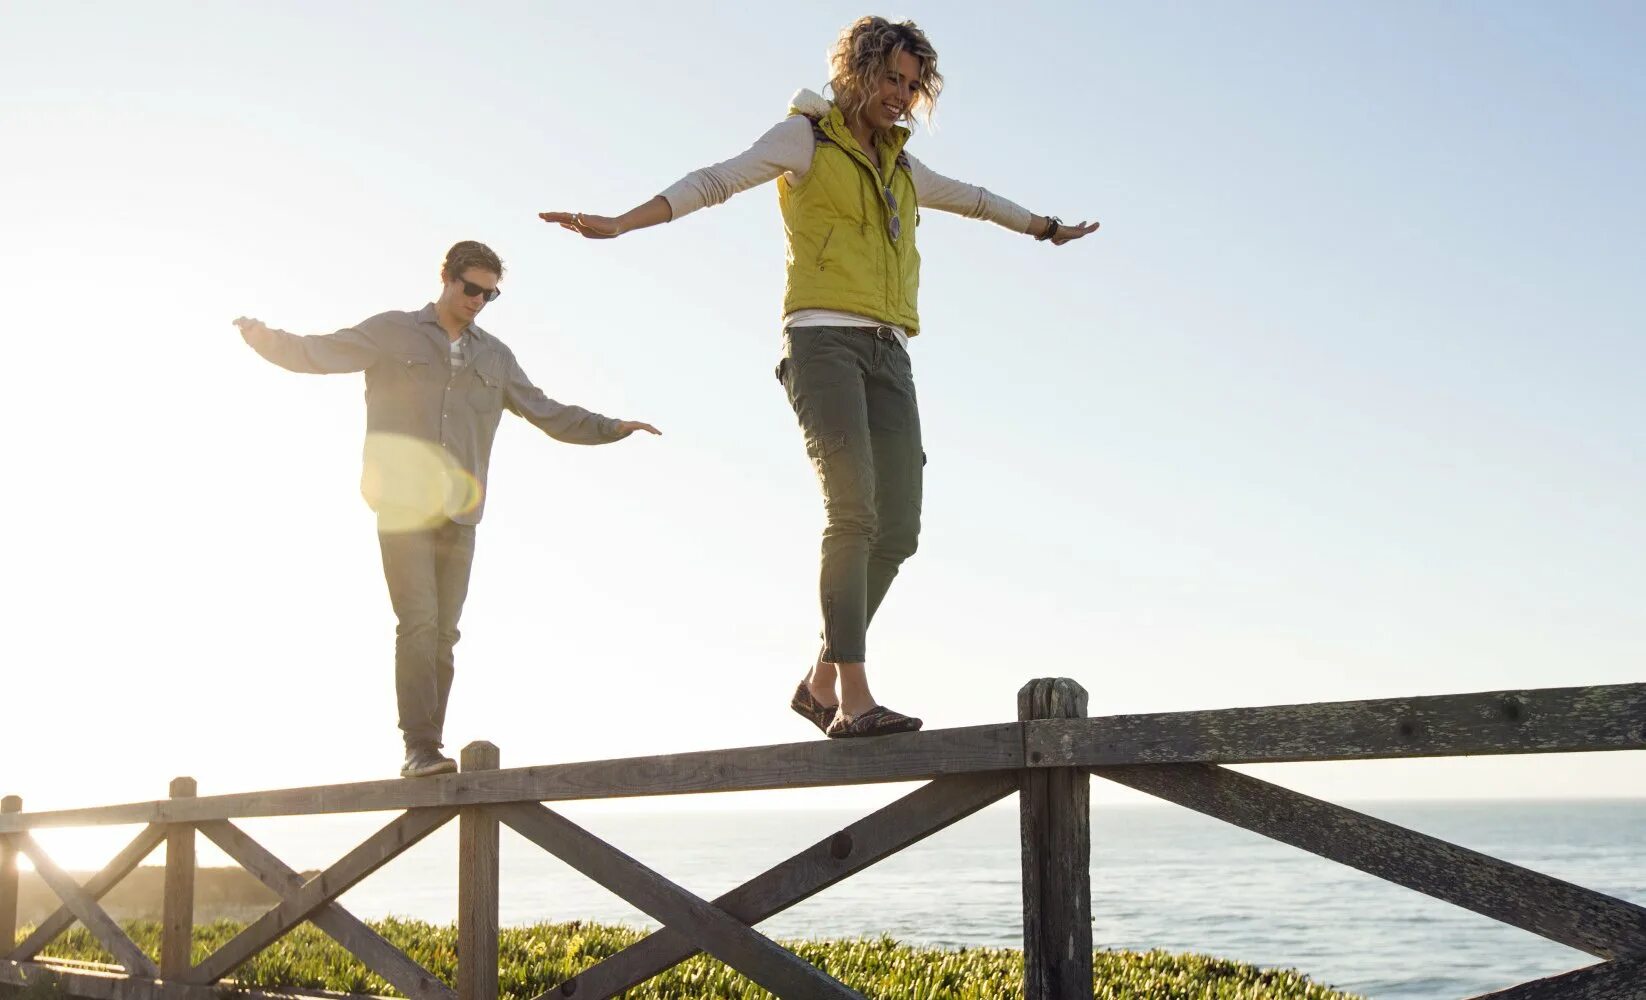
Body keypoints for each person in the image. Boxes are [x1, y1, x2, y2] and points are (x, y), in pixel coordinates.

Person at [540, 16, 1097, 738]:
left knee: (897, 530)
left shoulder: (903, 167)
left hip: (890, 351)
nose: (901, 95)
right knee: (853, 513)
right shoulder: (804, 137)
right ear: (858, 72)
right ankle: (852, 702)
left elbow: (980, 200)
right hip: (821, 344)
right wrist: (621, 222)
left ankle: (819, 678)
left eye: (911, 83)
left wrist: (1046, 228)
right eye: (890, 78)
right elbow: (717, 180)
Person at [235, 240, 660, 777]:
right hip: (403, 504)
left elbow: (546, 412)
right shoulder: (394, 331)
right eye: (471, 288)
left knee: (444, 633)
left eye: (490, 293)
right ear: (447, 278)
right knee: (417, 621)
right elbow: (318, 353)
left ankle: (429, 746)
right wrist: (263, 338)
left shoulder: (495, 357)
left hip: (461, 513)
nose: (479, 300)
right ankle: (420, 747)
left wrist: (612, 428)